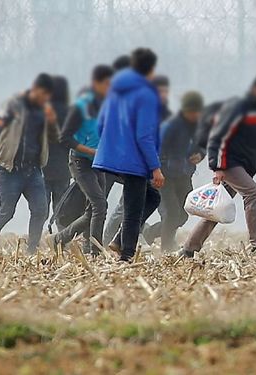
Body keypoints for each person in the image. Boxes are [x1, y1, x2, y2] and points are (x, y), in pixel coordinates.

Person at [180, 73, 256, 257]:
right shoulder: (237, 109)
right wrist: (218, 166)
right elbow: (217, 137)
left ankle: (188, 249)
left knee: (216, 209)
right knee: (253, 193)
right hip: (230, 163)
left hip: (244, 166)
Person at [94, 48, 165, 262]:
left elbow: (100, 124)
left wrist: (113, 146)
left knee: (152, 197)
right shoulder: (146, 94)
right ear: (151, 70)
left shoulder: (116, 90)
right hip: (133, 159)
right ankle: (126, 255)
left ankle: (118, 240)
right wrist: (155, 167)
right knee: (134, 208)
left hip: (111, 156)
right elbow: (144, 135)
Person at [47, 65, 114, 255]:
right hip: (80, 162)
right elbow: (65, 138)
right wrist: (90, 151)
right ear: (97, 84)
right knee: (99, 205)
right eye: (107, 84)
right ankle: (95, 250)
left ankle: (61, 240)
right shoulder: (80, 107)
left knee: (94, 208)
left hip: (99, 162)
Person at [0, 74, 55, 253]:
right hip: (9, 169)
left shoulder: (44, 110)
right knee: (7, 211)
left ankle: (31, 249)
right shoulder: (13, 105)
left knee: (41, 210)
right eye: (45, 94)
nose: (46, 99)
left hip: (33, 170)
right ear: (37, 89)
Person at [142, 91, 204, 252]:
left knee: (185, 212)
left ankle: (150, 232)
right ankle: (167, 246)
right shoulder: (171, 126)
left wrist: (200, 155)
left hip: (184, 175)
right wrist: (156, 171)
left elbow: (202, 145)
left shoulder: (198, 127)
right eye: (192, 112)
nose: (195, 115)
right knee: (171, 212)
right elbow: (156, 150)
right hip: (164, 175)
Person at [43, 76, 71, 221]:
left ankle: (37, 237)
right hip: (63, 167)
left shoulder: (43, 111)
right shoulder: (69, 112)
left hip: (44, 165)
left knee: (41, 209)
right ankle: (60, 238)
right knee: (61, 208)